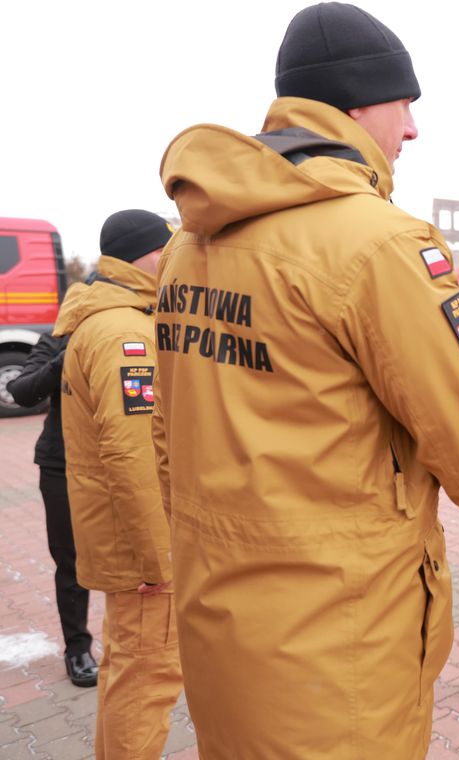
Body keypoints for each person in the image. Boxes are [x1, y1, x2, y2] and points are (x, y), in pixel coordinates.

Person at [153, 5, 459, 758]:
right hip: (337, 650)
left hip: (222, 629)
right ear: (359, 100)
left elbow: (168, 433)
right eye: (407, 106)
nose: (412, 129)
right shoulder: (374, 243)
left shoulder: (188, 244)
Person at [53, 209, 183, 759]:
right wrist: (159, 562)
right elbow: (131, 453)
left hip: (120, 539)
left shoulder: (112, 317)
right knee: (148, 679)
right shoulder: (125, 332)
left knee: (127, 671)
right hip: (138, 552)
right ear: (149, 257)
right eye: (169, 250)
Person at [9, 333, 97, 688]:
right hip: (62, 464)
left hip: (120, 460)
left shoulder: (139, 324)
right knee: (71, 560)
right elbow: (21, 390)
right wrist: (66, 358)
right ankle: (77, 648)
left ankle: (138, 643)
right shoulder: (60, 338)